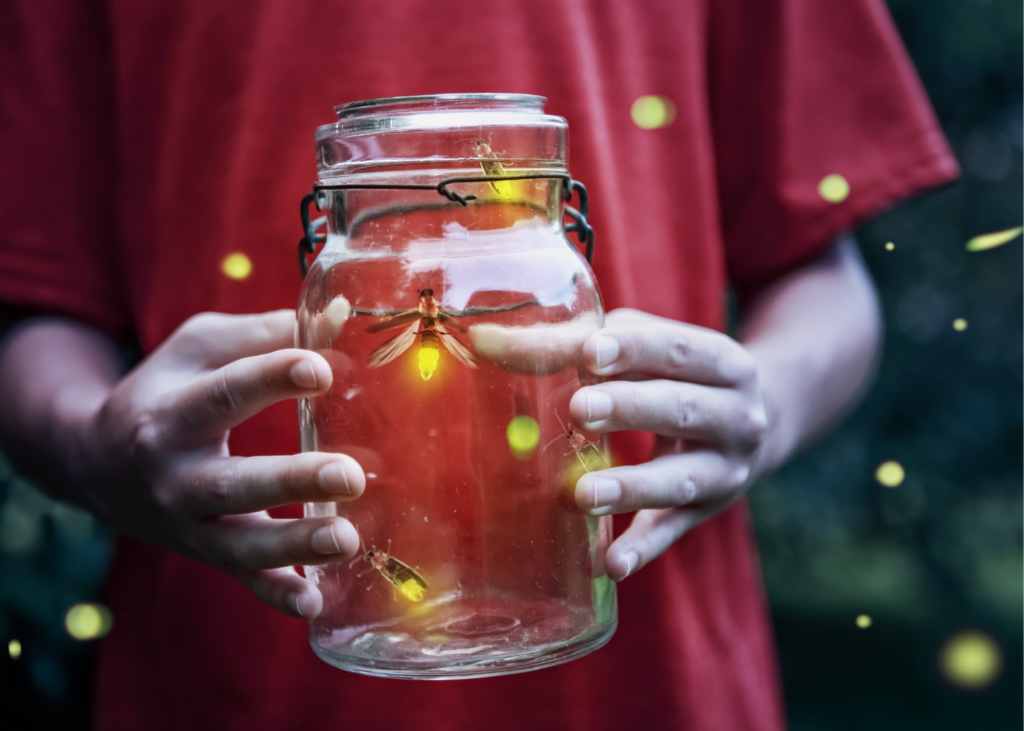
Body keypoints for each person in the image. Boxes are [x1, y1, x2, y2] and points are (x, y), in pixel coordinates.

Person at [0, 0, 957, 728]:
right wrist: (91, 444)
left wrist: (772, 400)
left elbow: (826, 278)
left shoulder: (547, 256)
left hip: (664, 686)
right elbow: (35, 305)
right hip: (222, 678)